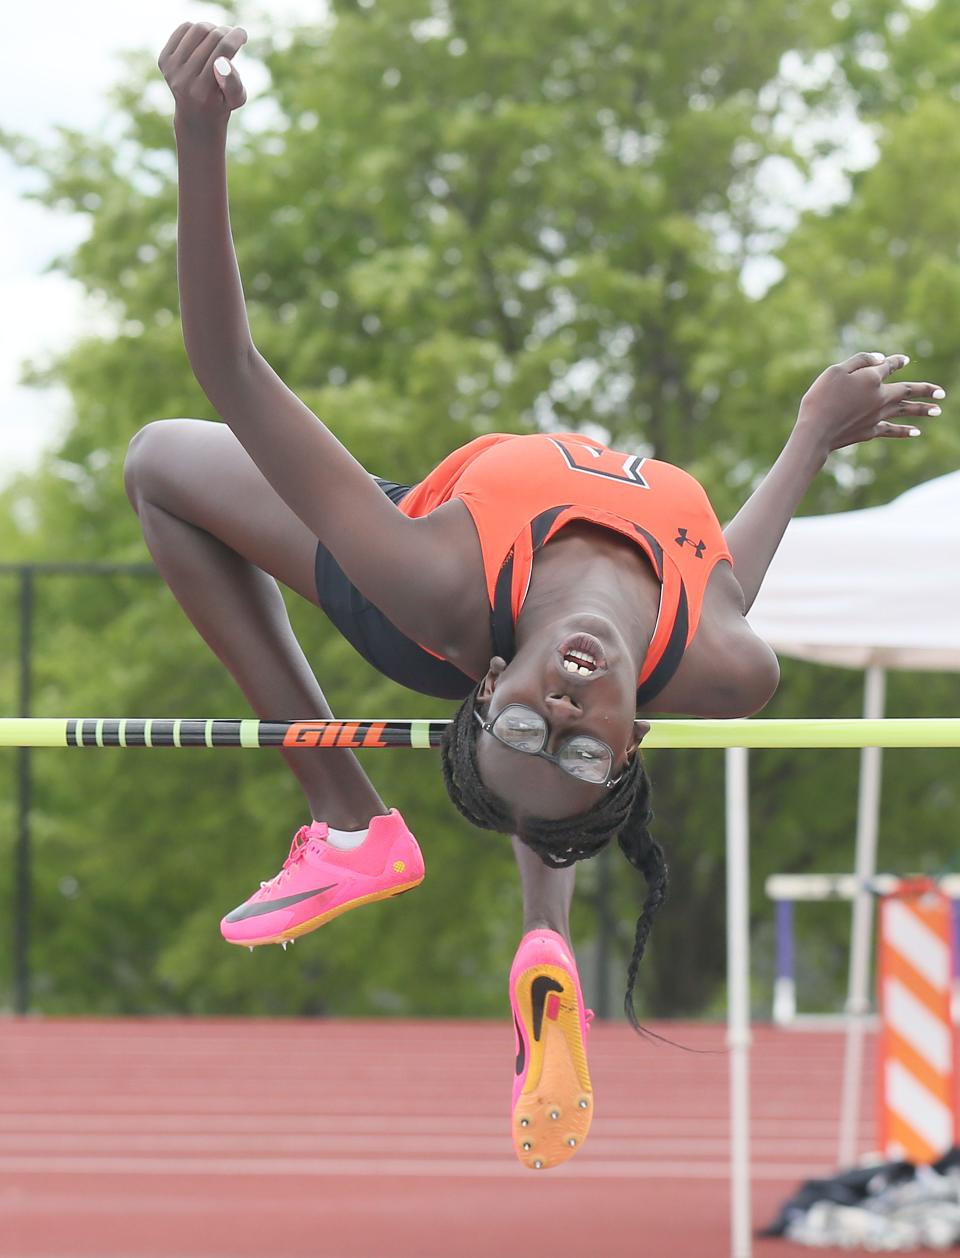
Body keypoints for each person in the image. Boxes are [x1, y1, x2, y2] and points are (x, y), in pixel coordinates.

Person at [128, 21, 946, 1171]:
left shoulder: (432, 581)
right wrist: (811, 437)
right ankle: (543, 942)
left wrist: (197, 136)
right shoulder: (717, 662)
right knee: (548, 783)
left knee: (159, 463)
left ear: (487, 680)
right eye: (583, 742)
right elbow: (717, 586)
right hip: (572, 615)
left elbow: (228, 371)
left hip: (429, 545)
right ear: (638, 735)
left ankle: (350, 818)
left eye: (526, 719)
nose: (561, 707)